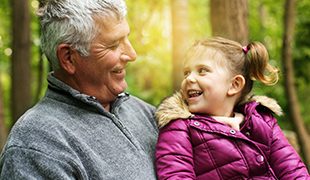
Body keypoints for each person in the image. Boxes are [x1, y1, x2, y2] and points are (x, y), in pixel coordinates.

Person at [0, 0, 158, 179]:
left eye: (127, 38)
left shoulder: (145, 113)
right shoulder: (36, 144)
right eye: (113, 45)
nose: (132, 54)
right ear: (68, 58)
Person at [155, 37, 309, 179]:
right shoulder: (179, 127)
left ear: (234, 85)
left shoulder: (261, 120)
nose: (189, 78)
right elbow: (176, 175)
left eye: (202, 70)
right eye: (186, 72)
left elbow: (293, 170)